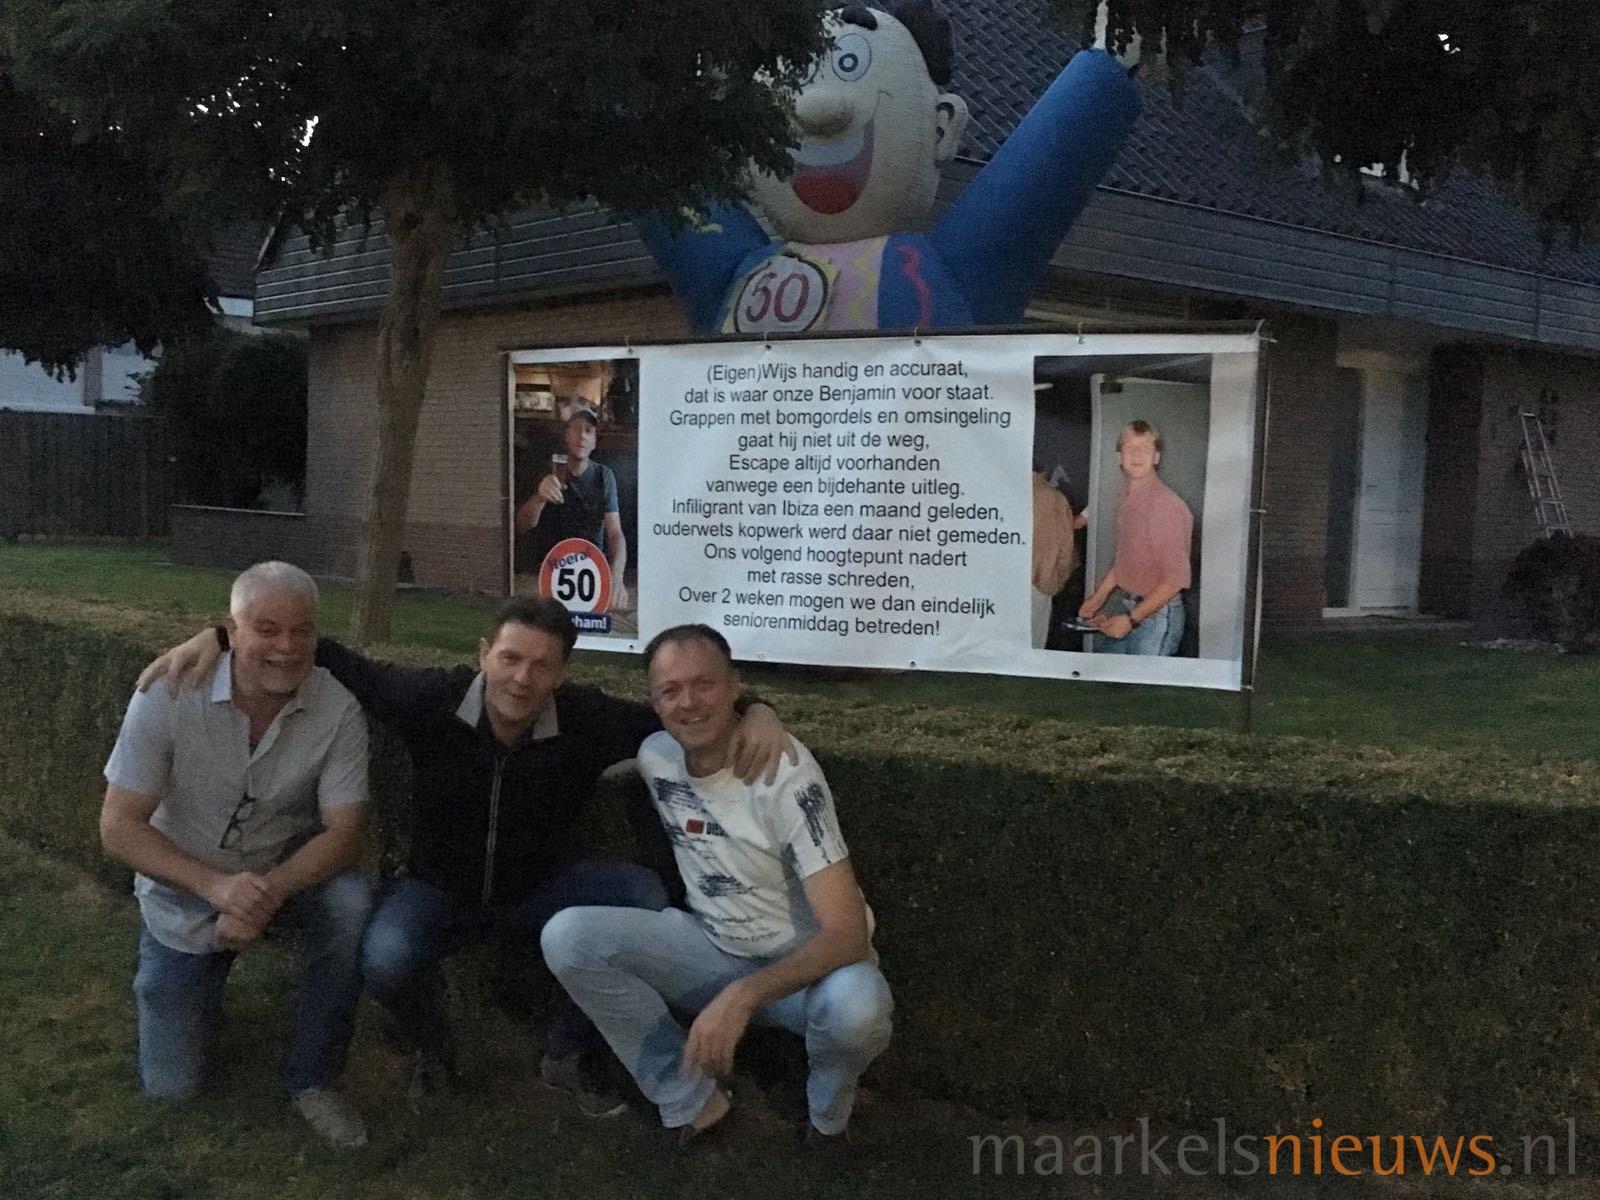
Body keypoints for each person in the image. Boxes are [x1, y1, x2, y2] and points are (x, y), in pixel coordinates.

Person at [140, 597, 794, 1114]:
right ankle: (434, 1050)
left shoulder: (587, 718)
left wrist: (757, 710)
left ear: (562, 673)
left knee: (642, 896)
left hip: (543, 890)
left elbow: (684, 711)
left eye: (542, 665)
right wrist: (220, 636)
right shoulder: (430, 699)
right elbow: (329, 655)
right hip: (438, 890)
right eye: (509, 658)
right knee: (385, 955)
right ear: (484, 654)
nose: (522, 678)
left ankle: (568, 1053)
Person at [541, 625, 892, 1172]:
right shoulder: (657, 755)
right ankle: (689, 1100)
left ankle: (827, 1123)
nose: (688, 702)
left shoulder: (784, 774)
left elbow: (846, 934)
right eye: (670, 690)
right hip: (711, 950)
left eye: (704, 684)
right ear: (654, 703)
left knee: (858, 1007)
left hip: (811, 976)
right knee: (568, 937)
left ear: (735, 688)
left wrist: (742, 997)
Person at [639, 0, 1141, 333]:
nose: (815, 108)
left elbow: (1032, 184)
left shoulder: (938, 274)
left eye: (849, 66)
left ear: (941, 129)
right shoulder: (737, 272)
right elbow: (650, 170)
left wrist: (1107, 63)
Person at [101, 561, 372, 1146]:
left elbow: (345, 833)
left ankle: (312, 1076)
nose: (286, 647)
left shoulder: (339, 710)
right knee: (172, 1087)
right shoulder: (169, 693)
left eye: (302, 630)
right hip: (183, 893)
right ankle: (186, 990)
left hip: (280, 880)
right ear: (230, 631)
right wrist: (218, 888)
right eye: (266, 630)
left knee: (350, 902)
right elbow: (118, 828)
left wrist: (261, 895)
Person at [1079, 420, 1194, 655]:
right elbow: (1125, 558)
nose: (1137, 454)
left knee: (1136, 679)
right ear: (1119, 457)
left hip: (1158, 616)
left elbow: (1175, 580)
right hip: (1132, 605)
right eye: (1130, 447)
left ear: (1156, 457)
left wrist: (1131, 620)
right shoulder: (1127, 498)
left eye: (1145, 448)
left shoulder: (1166, 505)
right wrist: (1099, 597)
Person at [515, 406, 629, 610]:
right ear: (566, 435)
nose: (582, 436)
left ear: (595, 441)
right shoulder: (547, 471)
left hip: (591, 569)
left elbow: (615, 533)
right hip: (549, 570)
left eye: (588, 431)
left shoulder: (604, 476)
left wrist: (617, 576)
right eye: (576, 428)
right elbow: (522, 525)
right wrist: (539, 498)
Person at [1031, 469, 1085, 649]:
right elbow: (1065, 547)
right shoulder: (1052, 497)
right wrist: (1056, 581)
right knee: (1033, 644)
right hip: (1038, 580)